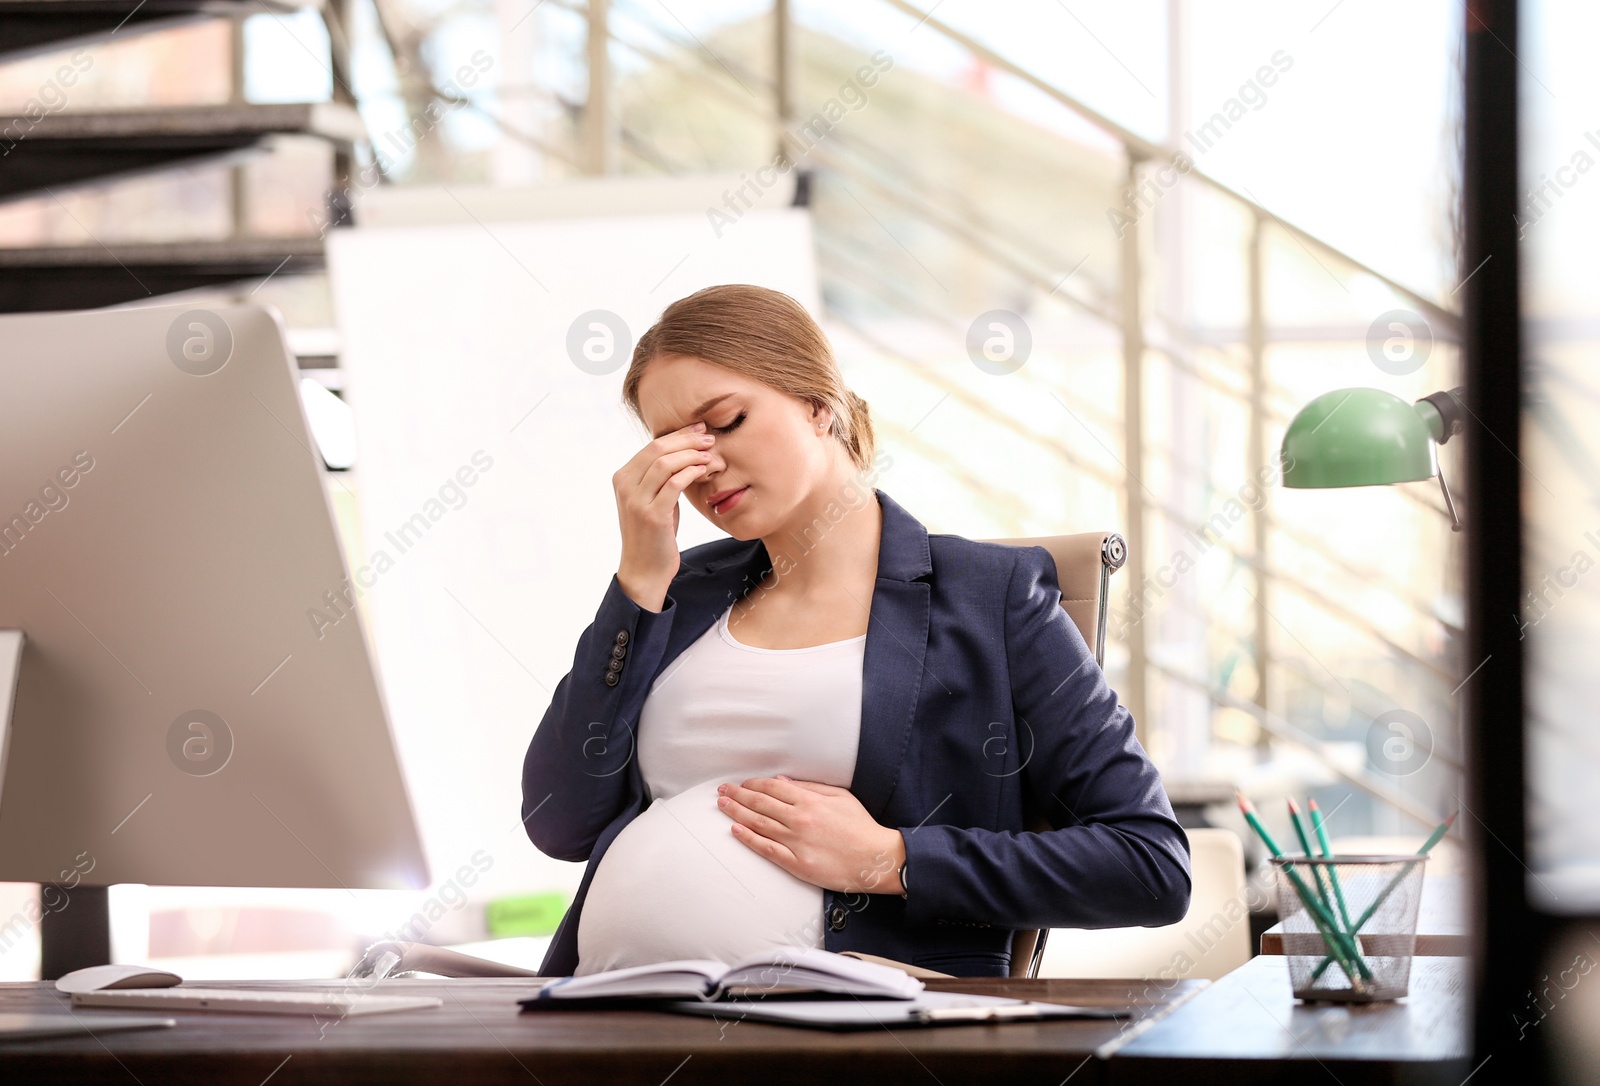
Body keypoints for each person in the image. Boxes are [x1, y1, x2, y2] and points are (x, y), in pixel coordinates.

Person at [521, 284, 1190, 978]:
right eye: (673, 447)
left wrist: (890, 859)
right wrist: (637, 582)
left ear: (818, 405)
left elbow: (1149, 865)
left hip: (847, 1043)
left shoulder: (992, 598)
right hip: (601, 1026)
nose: (700, 467)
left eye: (724, 422)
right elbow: (558, 819)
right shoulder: (677, 594)